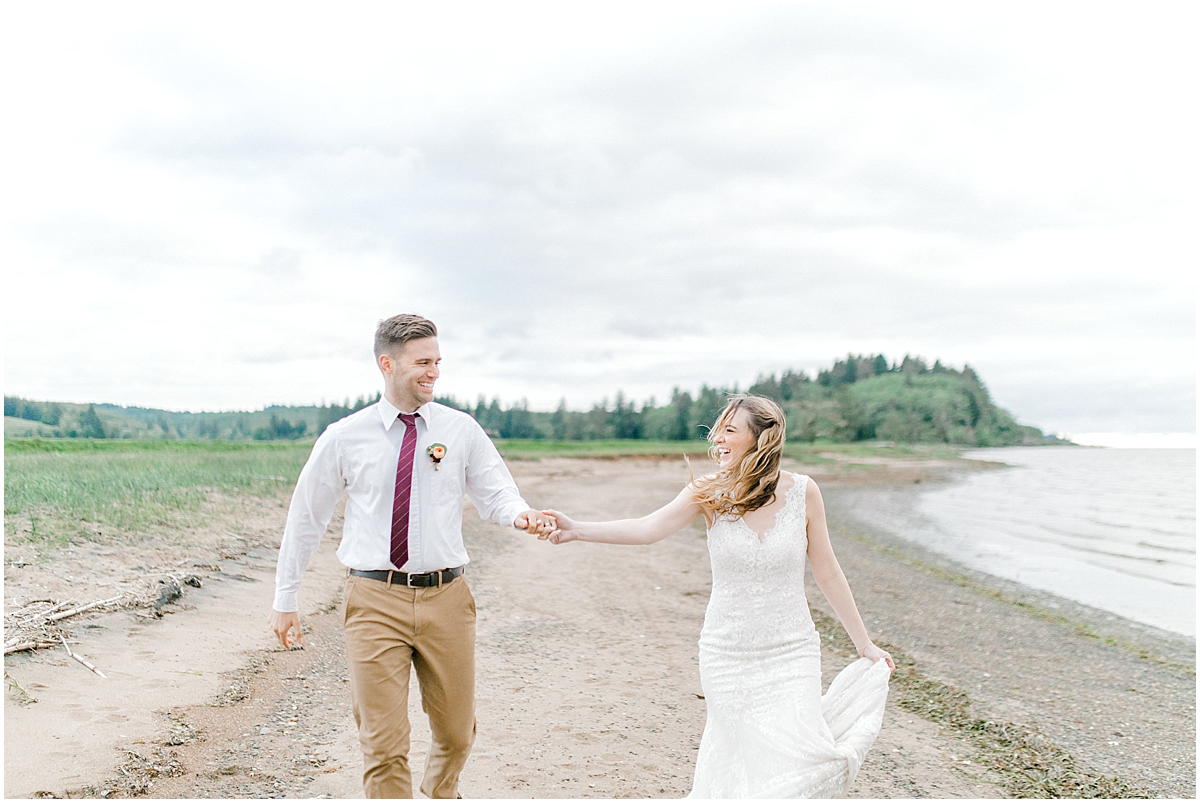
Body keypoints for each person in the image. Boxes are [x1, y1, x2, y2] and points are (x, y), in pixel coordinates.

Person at [542, 394, 894, 798]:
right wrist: (577, 529)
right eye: (718, 429)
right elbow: (646, 529)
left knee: (796, 758)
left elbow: (827, 570)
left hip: (792, 651)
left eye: (730, 430)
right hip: (728, 654)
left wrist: (864, 644)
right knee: (737, 759)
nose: (718, 439)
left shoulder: (804, 492)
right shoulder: (708, 492)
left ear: (761, 439)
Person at [268, 313, 555, 799]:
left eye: (438, 362)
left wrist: (521, 515)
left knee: (456, 734)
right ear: (387, 363)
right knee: (382, 744)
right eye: (423, 362)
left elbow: (497, 493)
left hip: (448, 598)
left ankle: (441, 791)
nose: (434, 372)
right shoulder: (344, 437)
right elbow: (305, 519)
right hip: (374, 599)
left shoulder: (460, 429)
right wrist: (285, 596)